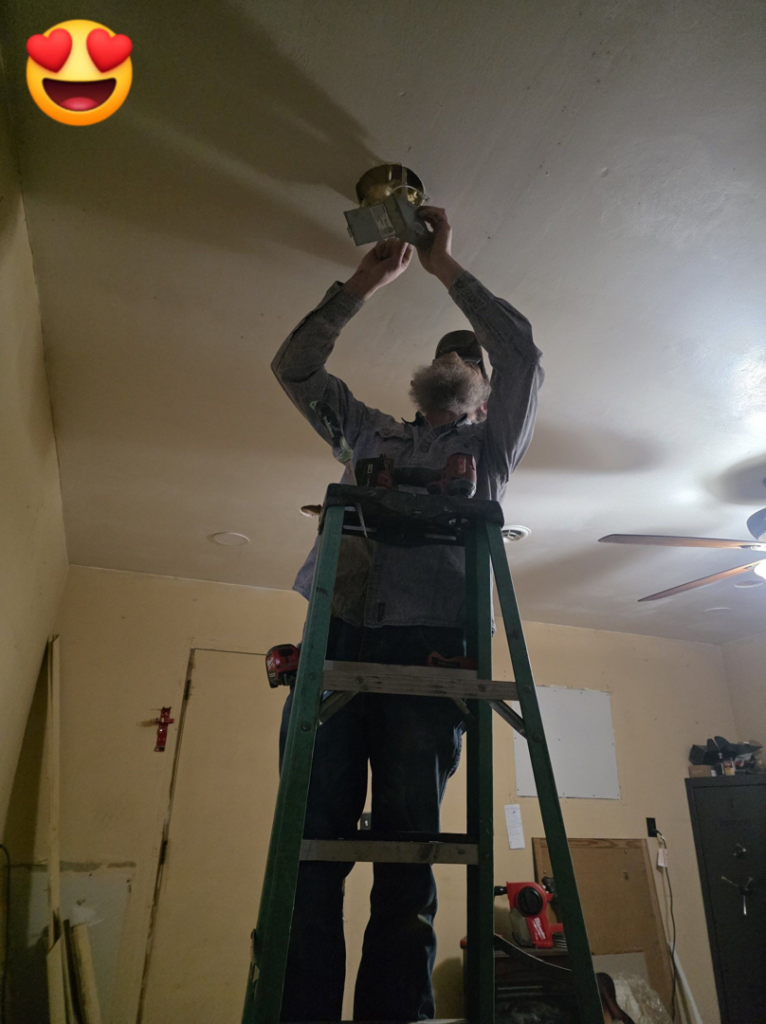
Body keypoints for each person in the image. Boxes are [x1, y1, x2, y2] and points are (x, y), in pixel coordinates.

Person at [271, 206, 544, 1022]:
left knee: (407, 859)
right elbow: (295, 368)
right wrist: (362, 283)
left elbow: (523, 350)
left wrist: (446, 268)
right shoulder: (367, 434)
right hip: (338, 638)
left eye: (470, 360)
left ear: (484, 393)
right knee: (310, 857)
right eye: (446, 354)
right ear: (421, 381)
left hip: (429, 659)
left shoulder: (490, 452)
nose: (457, 360)